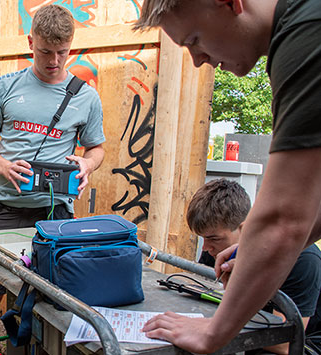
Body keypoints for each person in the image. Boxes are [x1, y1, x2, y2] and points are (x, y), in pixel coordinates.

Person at [133, 0, 321, 353]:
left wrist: (213, 332)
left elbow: (285, 218)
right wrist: (251, 251)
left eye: (194, 40)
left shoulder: (307, 32)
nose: (197, 60)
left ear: (229, 3)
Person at [0, 4, 105, 345]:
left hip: (56, 212)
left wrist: (87, 164)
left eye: (63, 52)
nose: (54, 61)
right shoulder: (5, 86)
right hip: (4, 206)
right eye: (46, 51)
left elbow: (97, 149)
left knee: (53, 298)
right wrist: (2, 165)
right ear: (31, 42)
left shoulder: (87, 97)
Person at [188, 178, 321, 353]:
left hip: (303, 346)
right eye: (202, 238)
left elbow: (285, 343)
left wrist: (205, 328)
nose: (205, 248)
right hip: (252, 326)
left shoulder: (304, 260)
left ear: (245, 228)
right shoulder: (216, 248)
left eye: (213, 238)